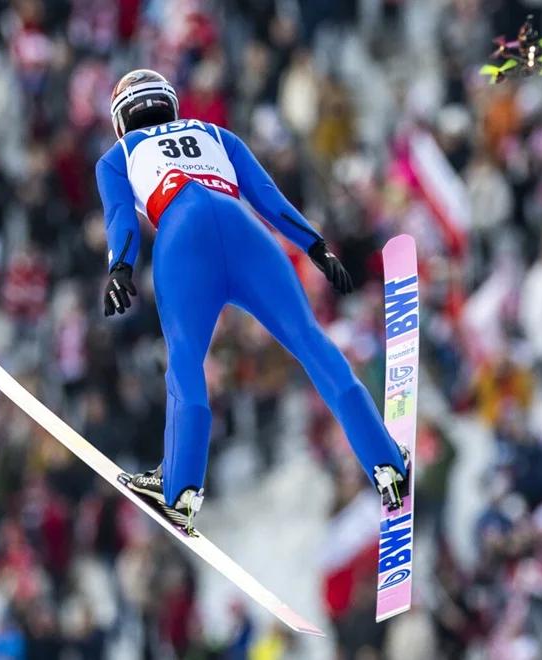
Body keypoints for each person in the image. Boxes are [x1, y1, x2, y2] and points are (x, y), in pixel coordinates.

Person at [95, 69, 408, 532]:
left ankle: (180, 489)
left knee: (185, 363)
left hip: (181, 234)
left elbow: (121, 217)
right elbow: (267, 196)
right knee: (310, 341)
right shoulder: (213, 132)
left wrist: (119, 268)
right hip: (242, 229)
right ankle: (385, 463)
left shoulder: (116, 155)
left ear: (122, 119)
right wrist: (317, 247)